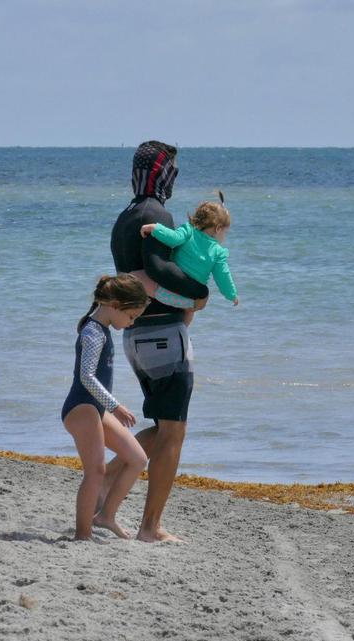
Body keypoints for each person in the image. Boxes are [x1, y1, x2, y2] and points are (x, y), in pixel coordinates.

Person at [107, 140, 209, 543]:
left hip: (138, 337)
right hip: (163, 335)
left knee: (167, 428)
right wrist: (199, 292)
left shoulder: (126, 215)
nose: (174, 178)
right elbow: (155, 269)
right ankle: (151, 527)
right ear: (160, 173)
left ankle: (107, 481)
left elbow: (138, 274)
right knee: (173, 433)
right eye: (171, 170)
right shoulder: (155, 214)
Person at [61, 274, 150, 541]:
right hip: (81, 409)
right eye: (132, 316)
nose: (131, 322)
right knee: (96, 471)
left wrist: (108, 408)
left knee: (137, 458)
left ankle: (106, 516)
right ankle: (82, 534)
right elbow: (86, 377)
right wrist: (116, 405)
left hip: (96, 409)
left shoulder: (103, 330)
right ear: (114, 304)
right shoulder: (92, 332)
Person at [138, 197, 239, 326]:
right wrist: (232, 295)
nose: (224, 237)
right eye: (225, 233)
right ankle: (183, 331)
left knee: (155, 290)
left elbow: (173, 238)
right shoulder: (218, 252)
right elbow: (223, 276)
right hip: (191, 296)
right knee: (190, 311)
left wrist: (155, 228)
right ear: (218, 228)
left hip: (170, 284)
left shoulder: (188, 230)